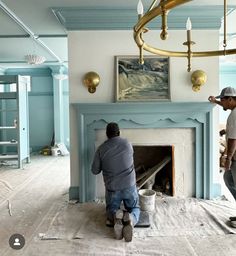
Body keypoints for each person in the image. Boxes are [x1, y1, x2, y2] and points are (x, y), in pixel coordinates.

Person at [91, 122, 140, 242]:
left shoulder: (101, 149)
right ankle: (131, 219)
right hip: (129, 186)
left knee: (111, 209)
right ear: (119, 133)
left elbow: (94, 171)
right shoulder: (128, 144)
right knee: (135, 207)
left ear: (107, 135)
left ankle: (116, 216)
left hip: (113, 189)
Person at [208, 87, 236, 226]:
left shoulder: (234, 115)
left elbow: (233, 139)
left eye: (222, 99)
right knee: (228, 179)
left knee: (232, 181)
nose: (221, 102)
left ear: (230, 99)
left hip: (235, 157)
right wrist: (215, 101)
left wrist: (228, 158)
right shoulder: (233, 111)